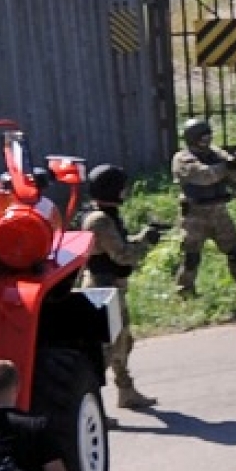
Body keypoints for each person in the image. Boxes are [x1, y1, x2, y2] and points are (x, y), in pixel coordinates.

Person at [76, 164, 162, 412]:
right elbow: (122, 256)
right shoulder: (100, 220)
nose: (125, 191)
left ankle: (126, 391)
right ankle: (91, 407)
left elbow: (117, 245)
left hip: (111, 287)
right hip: (102, 289)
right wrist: (145, 243)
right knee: (105, 350)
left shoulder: (104, 214)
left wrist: (141, 237)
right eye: (121, 187)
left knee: (123, 341)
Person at [171, 117, 236, 306]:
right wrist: (226, 166)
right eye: (202, 138)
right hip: (195, 215)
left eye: (208, 137)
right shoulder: (182, 159)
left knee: (235, 252)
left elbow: (232, 177)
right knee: (191, 257)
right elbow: (203, 176)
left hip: (219, 213)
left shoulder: (216, 153)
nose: (206, 141)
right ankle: (184, 293)